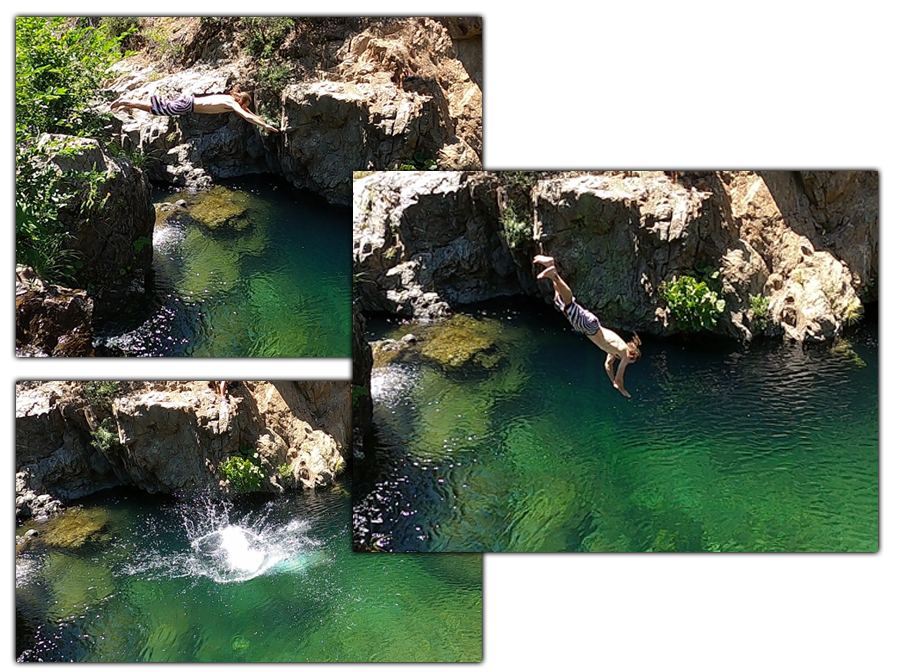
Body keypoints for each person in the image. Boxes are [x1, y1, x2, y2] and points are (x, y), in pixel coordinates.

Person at [534, 255, 641, 398]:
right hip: (590, 327)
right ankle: (554, 274)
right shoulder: (625, 354)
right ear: (633, 356)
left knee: (559, 300)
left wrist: (612, 381)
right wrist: (622, 390)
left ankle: (550, 265)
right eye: (629, 362)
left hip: (589, 326)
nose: (627, 362)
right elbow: (619, 376)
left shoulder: (615, 351)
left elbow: (608, 366)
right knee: (569, 304)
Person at [111, 90, 279, 132]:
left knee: (158, 106)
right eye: (244, 105)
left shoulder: (229, 98)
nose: (243, 108)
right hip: (187, 106)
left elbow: (247, 111)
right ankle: (127, 102)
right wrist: (264, 126)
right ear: (240, 102)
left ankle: (128, 104)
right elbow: (244, 115)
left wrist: (261, 120)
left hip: (188, 98)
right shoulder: (234, 106)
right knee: (155, 109)